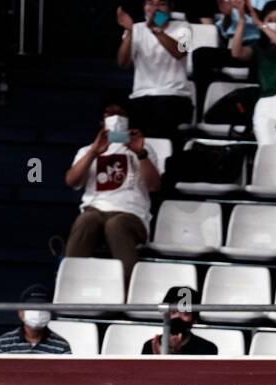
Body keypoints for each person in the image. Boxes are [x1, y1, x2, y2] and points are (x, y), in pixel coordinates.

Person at [64, 103, 161, 279]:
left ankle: (131, 288)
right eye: (110, 113)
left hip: (131, 214)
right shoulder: (86, 151)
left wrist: (141, 154)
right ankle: (70, 283)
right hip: (95, 210)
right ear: (102, 120)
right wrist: (94, 152)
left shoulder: (144, 150)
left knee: (116, 225)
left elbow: (154, 186)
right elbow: (72, 180)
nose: (115, 117)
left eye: (120, 113)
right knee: (86, 219)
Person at [228, 0, 276, 147]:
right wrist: (242, 21)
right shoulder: (259, 47)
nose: (274, 23)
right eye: (270, 20)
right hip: (264, 103)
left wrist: (261, 24)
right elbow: (236, 53)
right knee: (267, 144)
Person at [118, 0, 195, 139]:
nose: (155, 8)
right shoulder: (136, 29)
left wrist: (156, 30)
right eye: (151, 4)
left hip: (174, 95)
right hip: (141, 96)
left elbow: (180, 52)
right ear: (144, 7)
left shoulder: (184, 27)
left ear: (170, 8)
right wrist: (129, 32)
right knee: (121, 130)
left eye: (161, 4)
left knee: (159, 127)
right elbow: (123, 64)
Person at [0, 286, 73, 354]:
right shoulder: (3, 343)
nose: (38, 312)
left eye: (43, 307)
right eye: (32, 307)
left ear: (50, 312)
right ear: (21, 312)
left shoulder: (62, 346)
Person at [142, 285, 220, 354]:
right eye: (173, 312)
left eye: (185, 313)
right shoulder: (150, 346)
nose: (178, 317)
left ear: (195, 319)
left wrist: (176, 354)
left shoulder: (207, 349)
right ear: (164, 315)